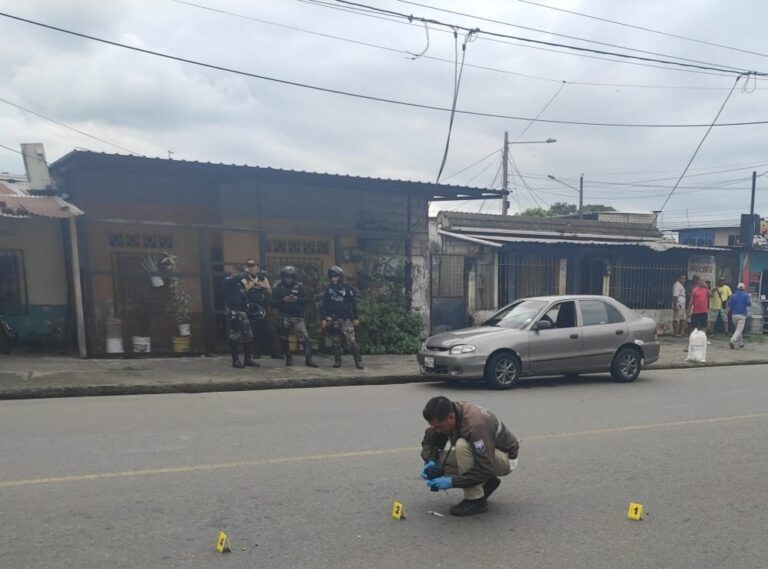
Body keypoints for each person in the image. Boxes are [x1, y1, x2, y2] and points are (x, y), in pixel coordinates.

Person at [420, 396, 519, 517]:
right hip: (486, 456)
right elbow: (430, 440)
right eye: (434, 426)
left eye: (439, 426)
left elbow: (486, 468)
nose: (437, 430)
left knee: (462, 446)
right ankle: (488, 483)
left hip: (505, 459)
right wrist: (430, 460)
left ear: (450, 417)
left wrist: (452, 482)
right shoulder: (449, 414)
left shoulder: (475, 426)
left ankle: (475, 500)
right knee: (439, 462)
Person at [272, 265, 318, 368]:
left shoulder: (298, 286)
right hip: (284, 316)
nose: (289, 279)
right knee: (284, 338)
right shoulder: (278, 287)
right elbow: (273, 302)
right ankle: (289, 357)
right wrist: (283, 300)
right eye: (287, 277)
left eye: (291, 277)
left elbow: (306, 299)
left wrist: (297, 299)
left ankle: (309, 359)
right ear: (283, 277)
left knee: (306, 337)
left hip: (298, 316)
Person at [321, 266, 364, 370]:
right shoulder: (328, 290)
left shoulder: (347, 289)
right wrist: (323, 319)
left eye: (335, 277)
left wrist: (356, 318)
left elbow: (353, 304)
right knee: (336, 341)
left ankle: (358, 361)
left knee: (351, 340)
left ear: (340, 277)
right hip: (334, 319)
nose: (333, 279)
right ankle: (337, 361)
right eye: (332, 277)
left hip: (346, 319)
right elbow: (324, 306)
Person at [221, 264, 260, 369]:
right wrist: (241, 276)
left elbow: (244, 294)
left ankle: (247, 359)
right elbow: (231, 283)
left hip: (243, 312)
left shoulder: (240, 283)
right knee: (235, 337)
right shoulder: (228, 280)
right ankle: (235, 360)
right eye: (240, 272)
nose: (243, 275)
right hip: (234, 312)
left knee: (248, 336)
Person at [244, 261, 273, 359]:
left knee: (265, 329)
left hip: (262, 307)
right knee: (253, 330)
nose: (252, 268)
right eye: (250, 266)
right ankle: (256, 352)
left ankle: (269, 350)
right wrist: (254, 284)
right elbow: (244, 290)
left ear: (257, 268)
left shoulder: (263, 277)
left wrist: (259, 284)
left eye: (253, 266)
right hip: (250, 307)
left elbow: (269, 291)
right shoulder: (244, 278)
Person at [728, 283, 751, 349]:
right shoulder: (746, 295)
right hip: (742, 315)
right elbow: (749, 304)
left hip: (734, 315)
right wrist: (749, 297)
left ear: (737, 288)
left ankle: (741, 343)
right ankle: (732, 341)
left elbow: (729, 305)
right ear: (743, 288)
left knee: (738, 329)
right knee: (739, 330)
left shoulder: (733, 296)